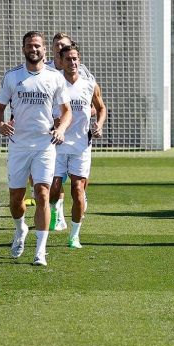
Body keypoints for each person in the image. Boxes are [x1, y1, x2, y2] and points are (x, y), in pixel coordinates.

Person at [0, 31, 72, 266]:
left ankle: (40, 251)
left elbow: (66, 111)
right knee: (16, 199)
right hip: (18, 146)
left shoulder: (55, 77)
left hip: (44, 145)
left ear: (44, 49)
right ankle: (20, 230)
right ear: (23, 49)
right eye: (29, 45)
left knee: (43, 194)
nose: (33, 49)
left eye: (37, 45)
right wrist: (0, 124)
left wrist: (61, 130)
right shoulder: (12, 77)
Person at [50, 44, 106, 248]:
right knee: (53, 188)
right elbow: (44, 109)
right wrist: (52, 124)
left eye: (75, 59)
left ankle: (74, 235)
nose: (72, 62)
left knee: (78, 188)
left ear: (79, 60)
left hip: (81, 146)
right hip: (56, 144)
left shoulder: (89, 84)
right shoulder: (54, 83)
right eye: (68, 59)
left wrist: (98, 125)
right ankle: (55, 210)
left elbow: (101, 108)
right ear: (61, 62)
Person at [46, 32, 98, 230]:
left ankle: (73, 216)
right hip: (55, 138)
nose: (60, 48)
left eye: (64, 45)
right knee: (54, 183)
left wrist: (88, 113)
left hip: (80, 140)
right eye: (57, 46)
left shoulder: (84, 75)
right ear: (54, 52)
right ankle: (56, 213)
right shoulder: (47, 72)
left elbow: (94, 104)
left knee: (77, 185)